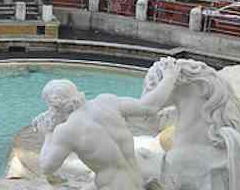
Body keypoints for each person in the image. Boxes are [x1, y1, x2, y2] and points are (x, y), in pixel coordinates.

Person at [35, 60, 180, 190]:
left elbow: (46, 167)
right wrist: (169, 77)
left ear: (55, 106)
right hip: (137, 181)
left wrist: (48, 133)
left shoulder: (66, 131)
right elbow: (150, 106)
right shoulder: (107, 101)